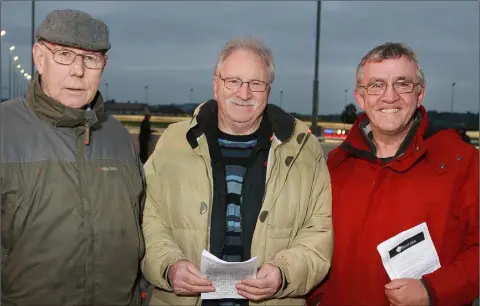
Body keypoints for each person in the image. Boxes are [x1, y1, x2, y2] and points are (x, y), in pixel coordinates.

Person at [141, 37, 333, 306]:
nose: (244, 94)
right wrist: (169, 265)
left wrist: (284, 274)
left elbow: (318, 231)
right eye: (233, 81)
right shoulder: (174, 142)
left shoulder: (304, 150)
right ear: (216, 85)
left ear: (268, 90)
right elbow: (148, 219)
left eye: (256, 84)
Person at [308, 42, 479, 306]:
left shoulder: (461, 162)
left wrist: (433, 291)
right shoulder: (336, 164)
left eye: (402, 84)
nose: (390, 97)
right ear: (360, 96)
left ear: (419, 94)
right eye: (376, 85)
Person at [0, 9, 145, 305]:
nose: (78, 71)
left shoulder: (119, 138)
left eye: (90, 59)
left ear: (103, 65)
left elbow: (141, 231)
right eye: (64, 54)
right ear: (39, 58)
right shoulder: (5, 129)